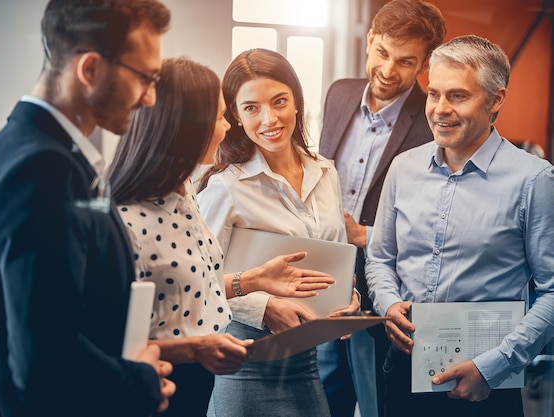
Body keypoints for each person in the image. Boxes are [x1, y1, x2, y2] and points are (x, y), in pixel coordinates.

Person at [0, 1, 176, 416]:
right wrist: (141, 381)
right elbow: (46, 363)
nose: (150, 97)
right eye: (145, 78)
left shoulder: (1, 151)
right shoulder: (42, 169)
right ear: (91, 69)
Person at [107, 56, 337, 417]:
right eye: (220, 116)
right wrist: (192, 351)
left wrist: (254, 279)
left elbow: (193, 286)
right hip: (161, 386)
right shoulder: (125, 219)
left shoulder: (182, 194)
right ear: (185, 127)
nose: (229, 126)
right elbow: (107, 337)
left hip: (203, 380)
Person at [365, 34, 554, 417]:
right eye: (434, 94)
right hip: (403, 367)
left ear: (495, 99)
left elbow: (552, 291)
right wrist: (389, 304)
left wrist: (493, 367)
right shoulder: (403, 168)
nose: (439, 109)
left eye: (458, 96)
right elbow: (379, 258)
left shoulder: (534, 180)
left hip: (487, 383)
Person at [197, 48, 360, 417]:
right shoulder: (226, 187)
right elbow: (199, 283)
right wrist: (265, 306)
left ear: (297, 102)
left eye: (279, 101)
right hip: (245, 366)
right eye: (251, 107)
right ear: (235, 116)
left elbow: (335, 254)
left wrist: (344, 300)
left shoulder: (325, 171)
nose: (269, 118)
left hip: (308, 365)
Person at [317, 1, 446, 416]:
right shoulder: (339, 94)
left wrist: (364, 235)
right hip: (323, 278)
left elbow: (438, 225)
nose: (389, 70)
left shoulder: (434, 125)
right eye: (383, 53)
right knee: (324, 395)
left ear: (424, 63)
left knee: (376, 403)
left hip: (384, 291)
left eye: (406, 61)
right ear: (370, 41)